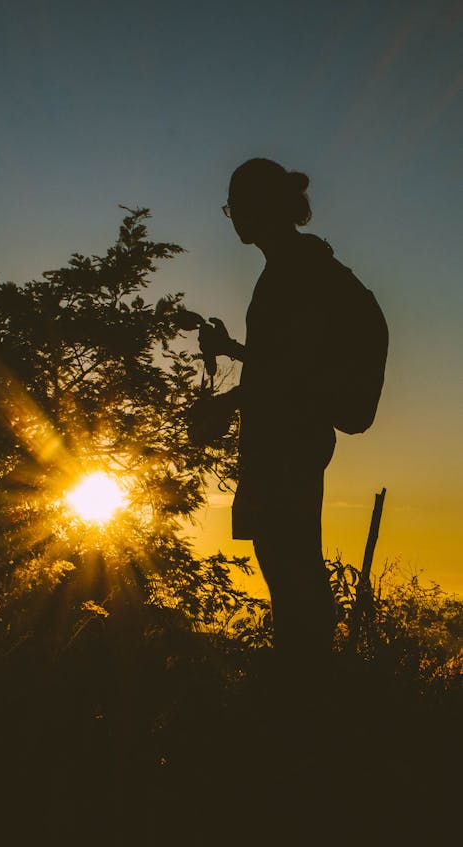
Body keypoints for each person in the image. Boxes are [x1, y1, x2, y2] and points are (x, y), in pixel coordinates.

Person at [200, 158, 338, 698]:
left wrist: (226, 400)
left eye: (237, 206)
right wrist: (231, 350)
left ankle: (305, 693)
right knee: (290, 560)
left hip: (288, 443)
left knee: (291, 565)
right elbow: (281, 359)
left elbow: (288, 373)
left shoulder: (292, 269)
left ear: (260, 208)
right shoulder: (293, 265)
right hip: (290, 439)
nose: (233, 218)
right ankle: (305, 686)